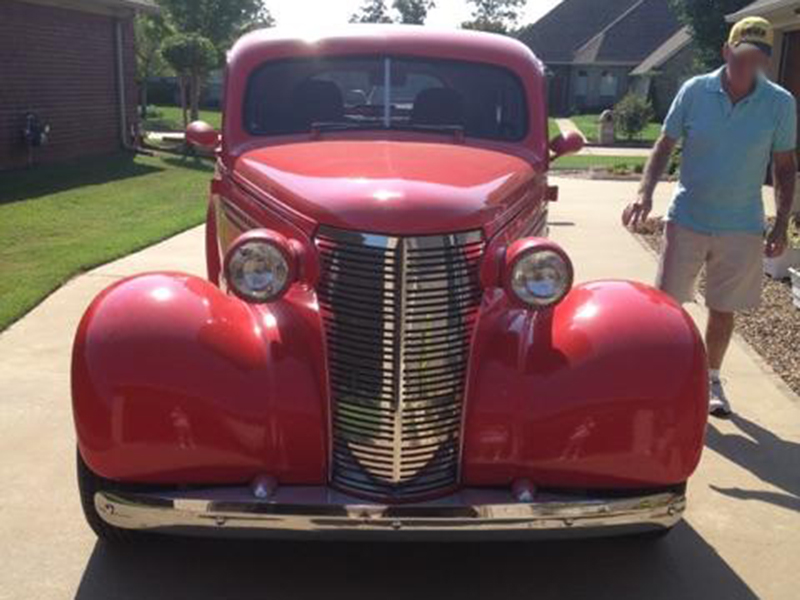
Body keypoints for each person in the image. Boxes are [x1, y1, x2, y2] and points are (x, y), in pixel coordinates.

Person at [623, 16, 797, 418]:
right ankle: (664, 377)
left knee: (723, 308)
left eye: (757, 59)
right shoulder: (694, 91)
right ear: (726, 51)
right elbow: (665, 145)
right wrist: (644, 192)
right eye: (741, 57)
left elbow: (784, 167)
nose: (747, 67)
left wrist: (782, 220)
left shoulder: (780, 103)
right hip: (687, 218)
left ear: (765, 62)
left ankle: (711, 378)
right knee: (668, 305)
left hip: (742, 226)